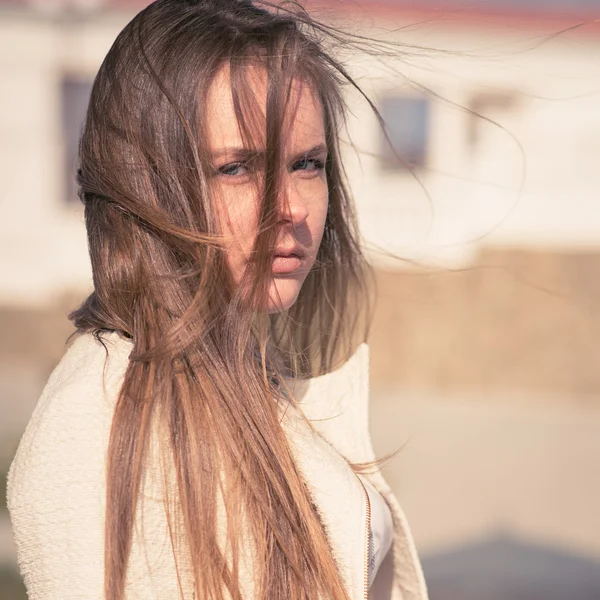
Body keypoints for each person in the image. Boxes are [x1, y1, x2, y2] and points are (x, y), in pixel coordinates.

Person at [7, 1, 428, 598]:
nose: (294, 207)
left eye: (308, 164)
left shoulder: (242, 370)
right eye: (236, 168)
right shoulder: (100, 421)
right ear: (144, 179)